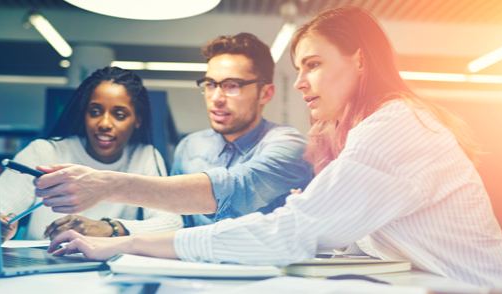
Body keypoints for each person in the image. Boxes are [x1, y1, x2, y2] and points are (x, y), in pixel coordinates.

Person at [45, 7, 502, 289]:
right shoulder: (379, 126)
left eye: (313, 64)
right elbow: (334, 239)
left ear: (359, 61)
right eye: (210, 84)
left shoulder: (397, 126)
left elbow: (289, 231)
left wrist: (126, 241)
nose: (301, 83)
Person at [32, 33, 313, 227]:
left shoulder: (289, 145)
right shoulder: (191, 147)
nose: (216, 97)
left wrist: (106, 186)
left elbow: (237, 187)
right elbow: (175, 223)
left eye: (232, 85)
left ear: (266, 93)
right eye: (211, 84)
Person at [0, 67, 183, 242]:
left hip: (106, 266)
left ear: (137, 121)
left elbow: (172, 224)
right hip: (42, 261)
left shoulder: (144, 156)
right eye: (95, 112)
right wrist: (0, 225)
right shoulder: (43, 151)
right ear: (84, 115)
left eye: (119, 115)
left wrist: (107, 228)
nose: (104, 123)